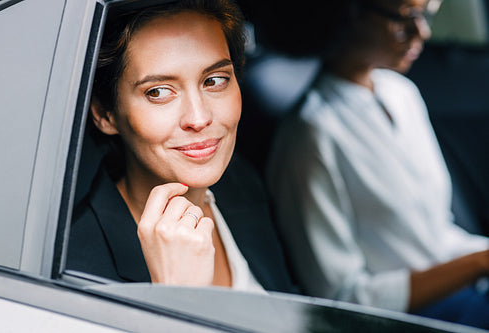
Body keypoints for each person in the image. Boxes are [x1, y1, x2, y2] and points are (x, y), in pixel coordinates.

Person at [265, 0, 489, 328]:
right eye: (405, 18)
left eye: (424, 14)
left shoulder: (401, 93)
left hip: (460, 292)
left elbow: (436, 237)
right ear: (347, 16)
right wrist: (475, 264)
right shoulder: (311, 135)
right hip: (401, 320)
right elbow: (341, 298)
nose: (421, 31)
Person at [67, 0, 295, 293]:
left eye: (214, 80)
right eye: (159, 92)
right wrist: (175, 296)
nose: (199, 118)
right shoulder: (75, 264)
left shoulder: (240, 184)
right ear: (104, 114)